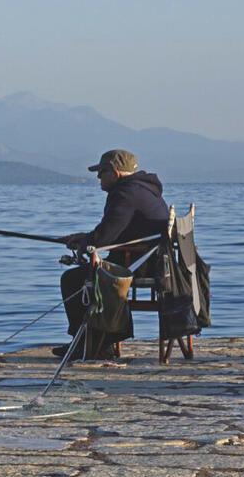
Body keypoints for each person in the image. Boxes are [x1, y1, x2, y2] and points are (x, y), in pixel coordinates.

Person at [56, 149, 170, 358]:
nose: (98, 177)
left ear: (115, 172)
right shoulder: (143, 189)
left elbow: (104, 237)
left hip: (139, 264)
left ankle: (87, 343)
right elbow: (116, 232)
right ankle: (97, 341)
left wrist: (86, 243)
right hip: (153, 260)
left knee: (73, 279)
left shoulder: (125, 193)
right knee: (86, 273)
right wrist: (85, 238)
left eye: (101, 172)